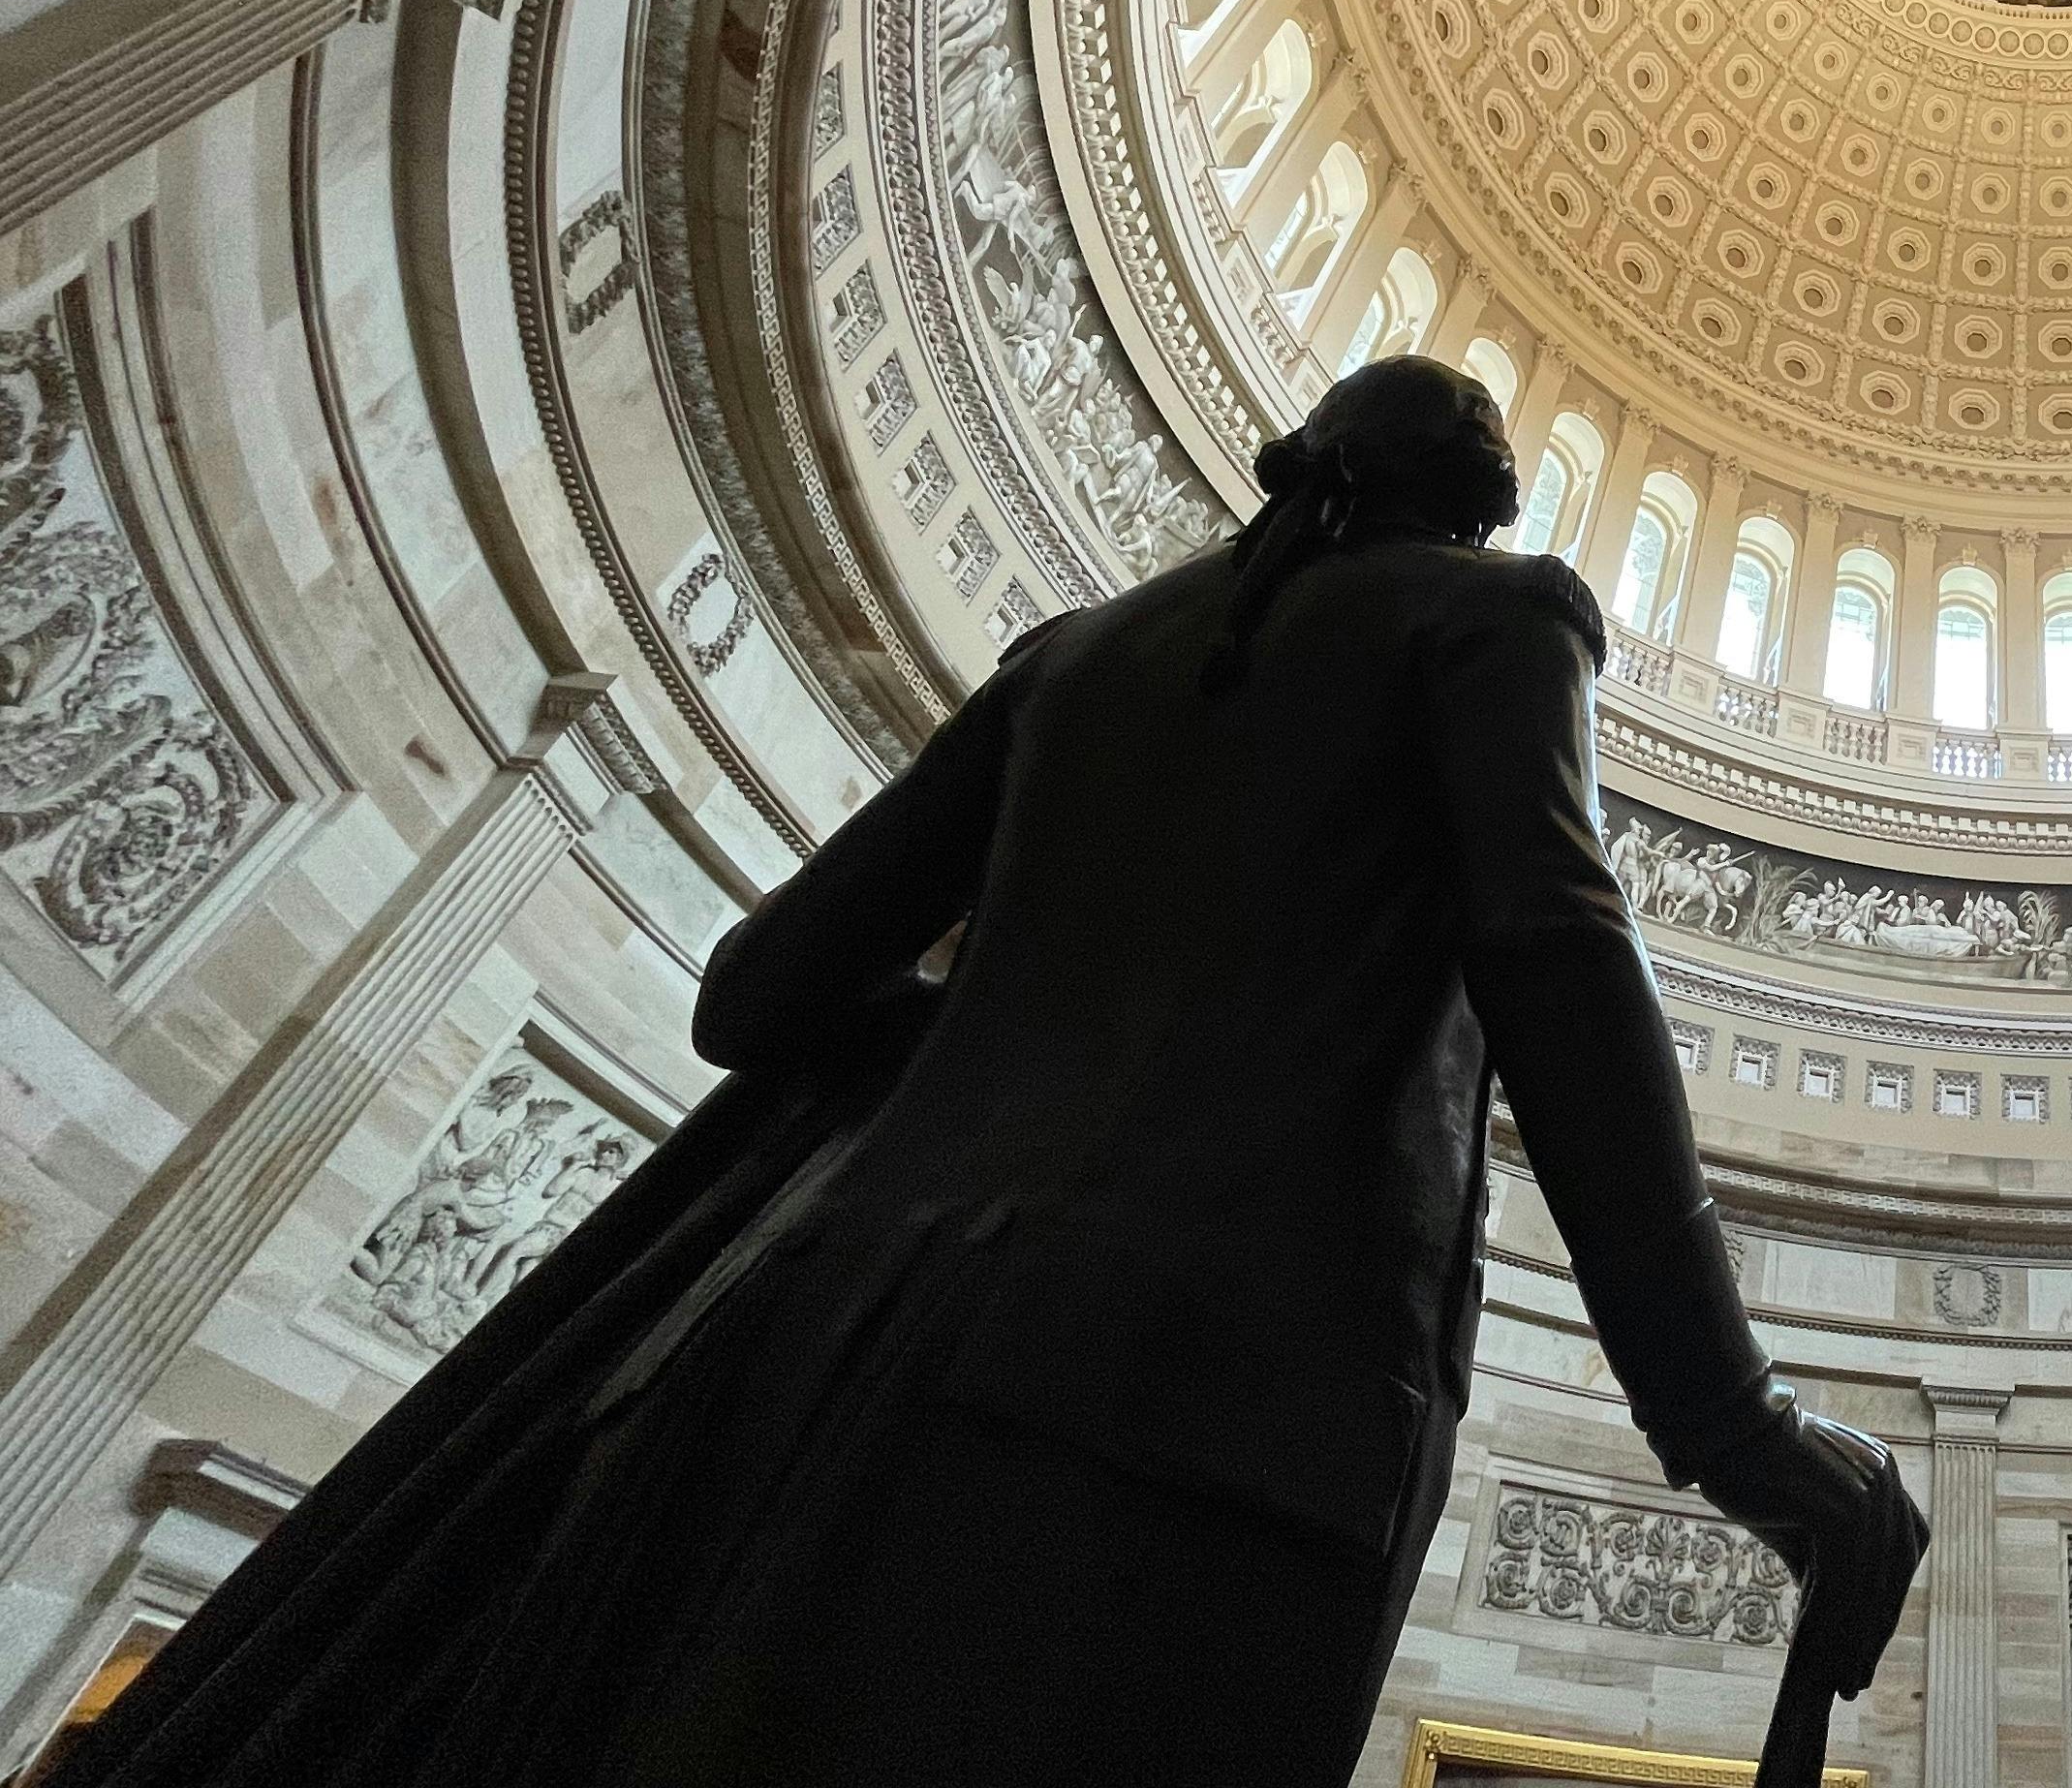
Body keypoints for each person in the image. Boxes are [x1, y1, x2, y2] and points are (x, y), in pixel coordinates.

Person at [68, 356, 1921, 1786]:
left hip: (780, 1360)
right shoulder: (1490, 623)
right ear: (1467, 515)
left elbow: (755, 991)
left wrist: (1019, 1023)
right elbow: (1562, 969)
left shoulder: (1076, 656)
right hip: (1190, 1415)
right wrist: (1733, 1428)